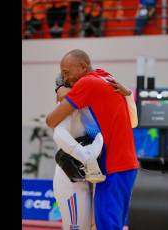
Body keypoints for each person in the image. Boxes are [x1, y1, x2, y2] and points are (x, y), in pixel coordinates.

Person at [47, 49, 139, 230]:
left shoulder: (86, 85)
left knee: (102, 226)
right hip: (107, 167)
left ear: (83, 67)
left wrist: (63, 91)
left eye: (67, 73)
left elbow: (51, 121)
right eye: (62, 76)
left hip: (110, 166)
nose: (66, 79)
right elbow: (133, 122)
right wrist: (128, 94)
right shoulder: (105, 76)